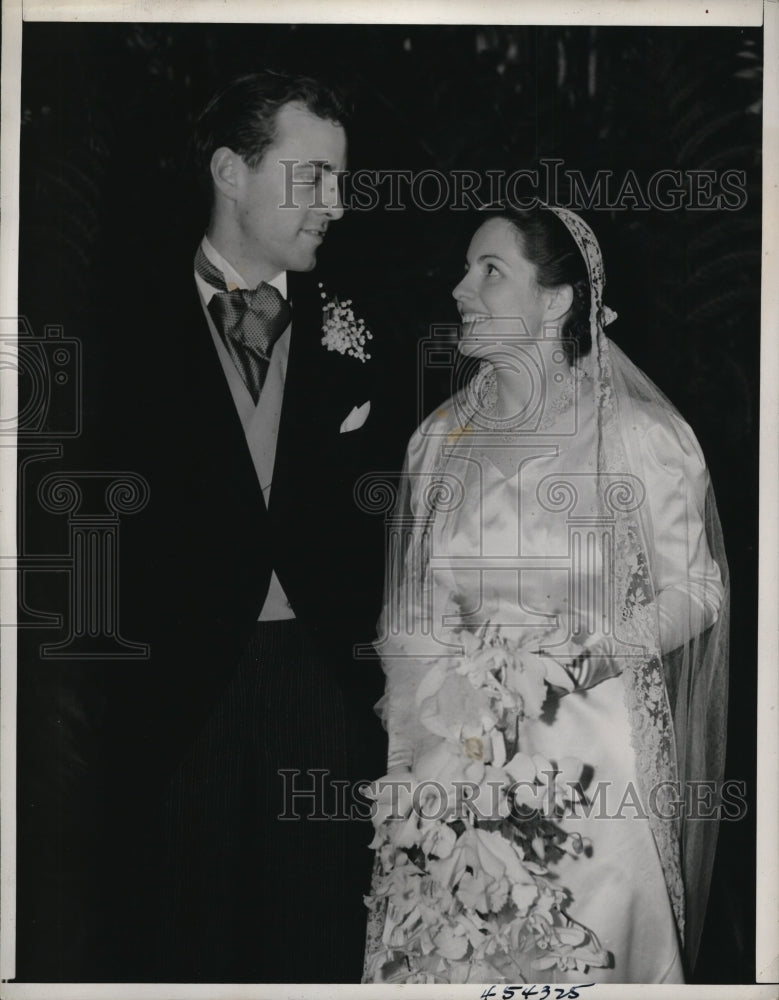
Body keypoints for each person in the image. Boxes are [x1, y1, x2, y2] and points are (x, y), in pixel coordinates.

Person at [16, 70, 397, 983]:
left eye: (341, 181)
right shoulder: (105, 323)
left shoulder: (368, 321)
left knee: (315, 948)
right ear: (231, 170)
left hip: (323, 699)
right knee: (179, 948)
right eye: (312, 178)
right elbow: (65, 523)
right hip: (169, 700)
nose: (335, 206)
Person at [362, 204, 729, 984]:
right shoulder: (435, 440)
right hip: (452, 777)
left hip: (589, 785)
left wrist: (588, 657)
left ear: (556, 300)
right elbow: (408, 618)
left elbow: (697, 588)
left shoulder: (636, 436)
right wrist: (416, 765)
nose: (460, 288)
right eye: (464, 268)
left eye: (489, 270)